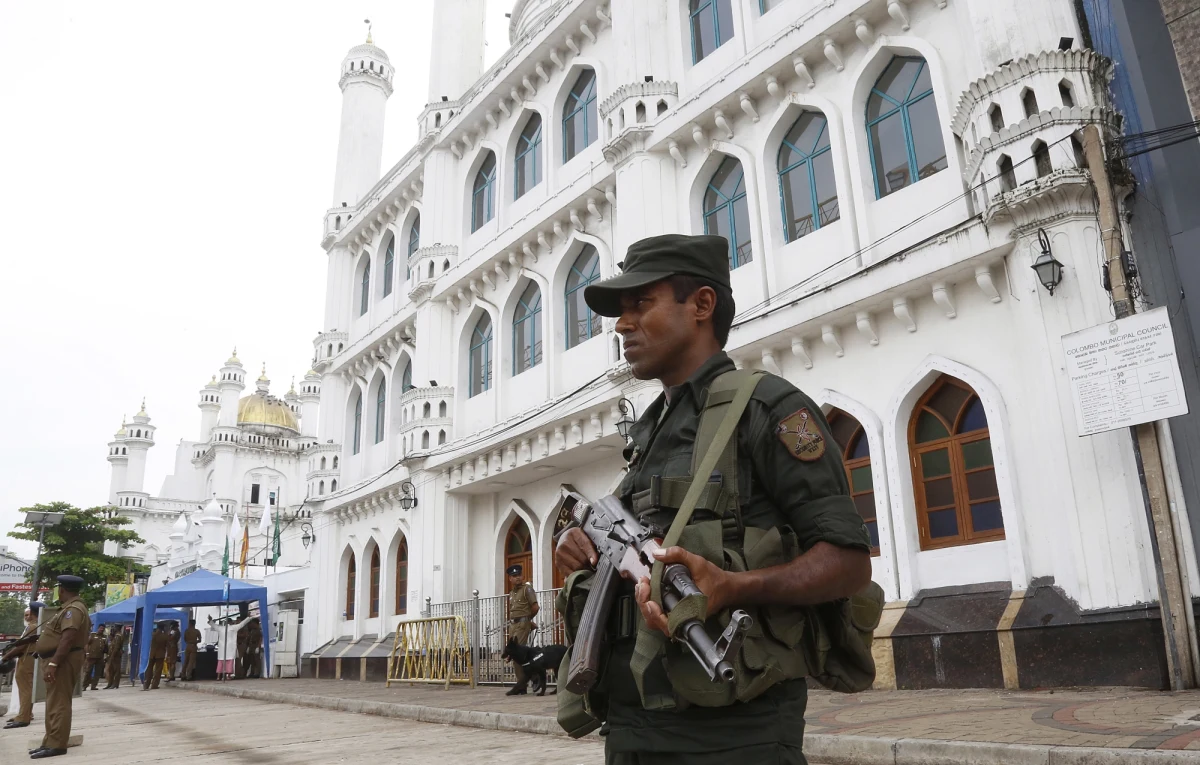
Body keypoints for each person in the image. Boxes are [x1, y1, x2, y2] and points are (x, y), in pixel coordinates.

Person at [554, 234, 872, 764]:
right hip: (631, 721)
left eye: (641, 303)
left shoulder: (766, 408)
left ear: (701, 304)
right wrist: (577, 542)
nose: (622, 324)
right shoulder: (650, 430)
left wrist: (733, 586)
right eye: (621, 310)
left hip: (733, 731)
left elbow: (848, 562)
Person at [29, 575, 92, 759]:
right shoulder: (68, 608)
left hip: (63, 661)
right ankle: (49, 741)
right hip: (60, 660)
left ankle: (57, 744)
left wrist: (54, 663)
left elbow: (68, 638)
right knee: (53, 703)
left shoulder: (74, 609)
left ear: (62, 589)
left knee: (59, 704)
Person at [4, 601, 42, 729]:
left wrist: (6, 656)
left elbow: (21, 646)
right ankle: (25, 714)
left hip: (27, 659)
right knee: (26, 689)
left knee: (26, 689)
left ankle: (23, 717)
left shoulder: (32, 627)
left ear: (32, 614)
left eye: (28, 614)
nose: (27, 616)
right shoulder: (35, 625)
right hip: (28, 658)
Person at [503, 564, 538, 696]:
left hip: (522, 624)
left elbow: (535, 607)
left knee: (517, 653)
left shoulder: (526, 589)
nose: (517, 578)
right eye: (514, 576)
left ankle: (530, 680)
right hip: (513, 625)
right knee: (516, 655)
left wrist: (528, 620)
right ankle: (523, 684)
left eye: (519, 575)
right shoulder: (512, 593)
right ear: (510, 579)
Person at [142, 622, 169, 691]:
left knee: (149, 669)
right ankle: (154, 685)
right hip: (160, 655)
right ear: (163, 628)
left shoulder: (152, 634)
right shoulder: (164, 636)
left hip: (151, 654)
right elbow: (168, 643)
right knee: (158, 670)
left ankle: (146, 684)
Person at [83, 625, 106, 691]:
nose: (102, 629)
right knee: (88, 671)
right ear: (98, 628)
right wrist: (87, 653)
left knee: (97, 672)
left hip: (100, 657)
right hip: (91, 657)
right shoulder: (93, 635)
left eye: (103, 628)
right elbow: (86, 644)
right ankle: (84, 686)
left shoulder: (104, 637)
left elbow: (105, 647)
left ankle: (94, 686)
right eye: (101, 628)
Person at [103, 625, 125, 689]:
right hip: (112, 655)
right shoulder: (115, 636)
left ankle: (115, 684)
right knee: (111, 670)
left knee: (116, 670)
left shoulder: (118, 636)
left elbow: (116, 647)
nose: (113, 629)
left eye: (115, 628)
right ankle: (110, 683)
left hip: (116, 655)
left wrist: (112, 656)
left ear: (117, 628)